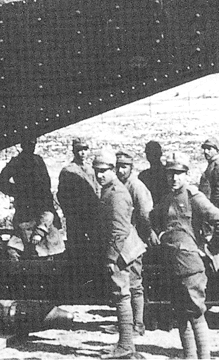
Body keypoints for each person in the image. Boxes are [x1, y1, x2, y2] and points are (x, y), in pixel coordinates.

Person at [151, 152, 219, 359]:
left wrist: (211, 249)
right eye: (170, 173)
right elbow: (153, 217)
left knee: (195, 313)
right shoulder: (167, 198)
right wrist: (160, 235)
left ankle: (204, 357)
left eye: (179, 173)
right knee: (180, 313)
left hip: (190, 267)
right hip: (172, 264)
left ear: (186, 174)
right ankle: (189, 356)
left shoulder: (194, 197)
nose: (174, 178)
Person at [94, 149, 148, 359]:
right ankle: (131, 334)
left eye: (104, 170)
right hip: (129, 248)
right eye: (97, 171)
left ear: (113, 170)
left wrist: (111, 258)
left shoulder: (116, 194)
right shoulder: (112, 189)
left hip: (121, 251)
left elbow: (118, 231)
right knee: (132, 289)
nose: (100, 175)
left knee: (120, 294)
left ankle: (125, 344)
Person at [0, 136, 64, 260]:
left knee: (48, 241)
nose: (32, 146)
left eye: (33, 143)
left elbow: (46, 184)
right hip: (25, 210)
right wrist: (18, 191)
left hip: (42, 206)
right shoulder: (16, 162)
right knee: (24, 242)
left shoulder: (38, 160)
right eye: (29, 143)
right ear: (22, 145)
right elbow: (1, 182)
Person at [116, 150, 155, 336]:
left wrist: (147, 234)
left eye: (124, 167)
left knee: (134, 284)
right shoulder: (118, 185)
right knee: (123, 285)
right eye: (118, 167)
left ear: (131, 168)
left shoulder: (136, 186)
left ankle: (138, 325)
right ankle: (125, 323)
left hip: (134, 241)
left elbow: (146, 214)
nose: (120, 170)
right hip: (122, 241)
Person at [57, 138, 101, 256]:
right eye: (79, 150)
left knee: (94, 247)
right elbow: (62, 195)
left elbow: (97, 191)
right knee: (76, 249)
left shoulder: (91, 170)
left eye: (85, 149)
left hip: (92, 215)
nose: (82, 153)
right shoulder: (68, 171)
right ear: (74, 151)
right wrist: (70, 213)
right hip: (76, 217)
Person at [197, 139, 219, 211]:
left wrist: (215, 209)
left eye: (209, 149)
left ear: (217, 150)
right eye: (204, 149)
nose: (205, 151)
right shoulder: (212, 164)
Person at [137, 140, 168, 205]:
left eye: (154, 153)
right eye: (150, 153)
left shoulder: (168, 174)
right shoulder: (143, 176)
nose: (152, 156)